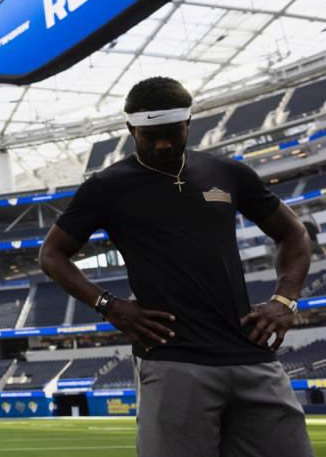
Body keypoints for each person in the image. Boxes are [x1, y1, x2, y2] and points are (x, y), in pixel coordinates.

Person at [38, 76, 314, 457]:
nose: (164, 144)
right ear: (130, 128)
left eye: (172, 132)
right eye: (151, 136)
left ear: (188, 123)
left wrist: (285, 300)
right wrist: (109, 305)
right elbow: (51, 255)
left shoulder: (228, 173)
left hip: (253, 354)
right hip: (172, 360)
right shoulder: (106, 187)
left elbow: (294, 234)